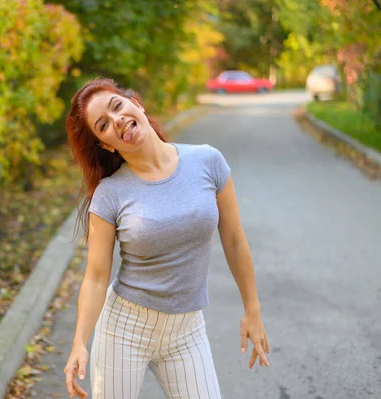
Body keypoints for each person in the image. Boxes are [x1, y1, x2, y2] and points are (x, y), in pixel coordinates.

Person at [63, 77, 270, 399]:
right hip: (125, 330)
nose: (116, 120)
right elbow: (96, 276)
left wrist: (252, 309)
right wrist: (79, 343)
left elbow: (234, 240)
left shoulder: (207, 161)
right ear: (105, 144)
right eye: (103, 124)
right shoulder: (110, 194)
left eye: (117, 106)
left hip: (186, 331)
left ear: (136, 104)